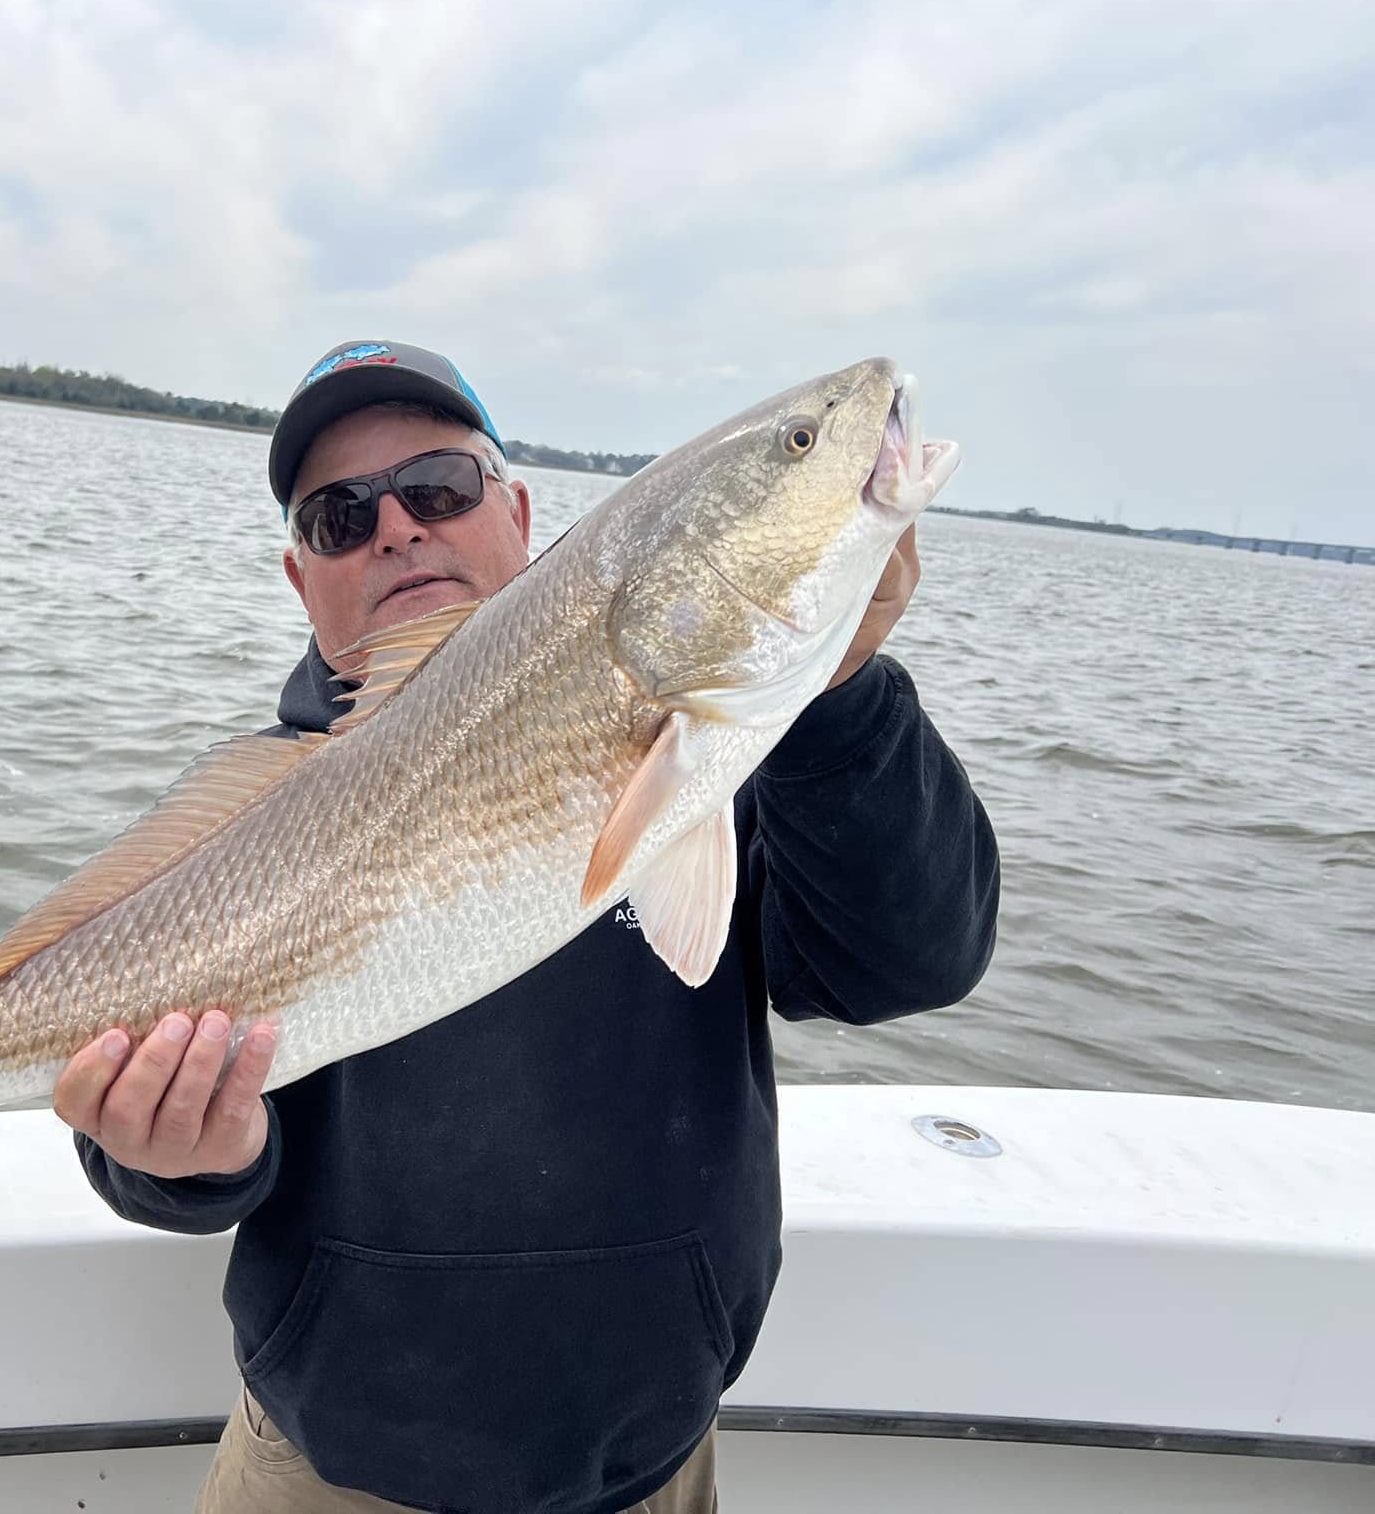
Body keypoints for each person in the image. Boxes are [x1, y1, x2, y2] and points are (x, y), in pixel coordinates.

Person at [52, 340, 1001, 1514]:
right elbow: (135, 1140)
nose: (396, 528)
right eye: (337, 518)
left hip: (645, 1475)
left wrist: (834, 698)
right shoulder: (250, 824)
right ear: (303, 583)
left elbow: (906, 964)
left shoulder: (728, 759)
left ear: (517, 512)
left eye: (438, 488)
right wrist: (182, 1163)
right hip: (324, 1475)